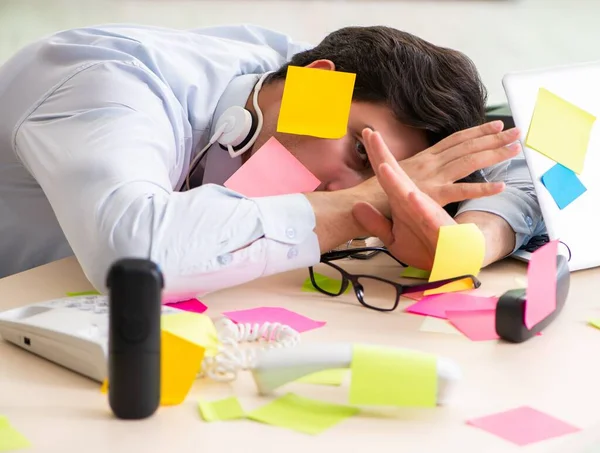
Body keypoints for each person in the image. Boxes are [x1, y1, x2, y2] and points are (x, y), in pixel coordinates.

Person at [0, 23, 542, 298]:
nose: (343, 189)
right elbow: (134, 254)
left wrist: (467, 243)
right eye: (360, 149)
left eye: (382, 173)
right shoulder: (105, 81)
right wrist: (374, 195)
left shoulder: (302, 86)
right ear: (319, 84)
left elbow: (523, 160)